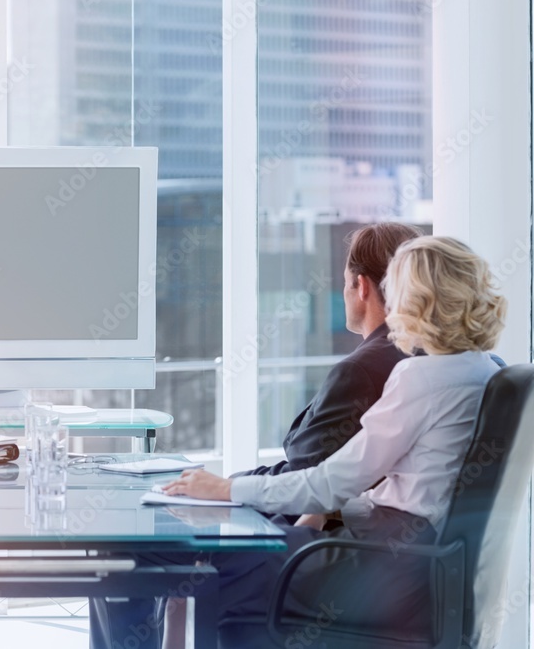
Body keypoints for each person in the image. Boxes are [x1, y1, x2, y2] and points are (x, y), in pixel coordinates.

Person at [92, 235, 507, 648]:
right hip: (412, 561)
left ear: (417, 301)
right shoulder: (486, 370)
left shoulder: (422, 377)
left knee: (203, 563)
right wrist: (330, 512)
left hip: (380, 564)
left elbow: (331, 481)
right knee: (219, 566)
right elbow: (409, 490)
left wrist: (225, 488)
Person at [234, 222, 421, 478]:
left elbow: (303, 477)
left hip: (347, 514)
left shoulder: (361, 371)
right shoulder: (435, 353)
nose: (345, 292)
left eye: (346, 283)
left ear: (362, 286)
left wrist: (228, 485)